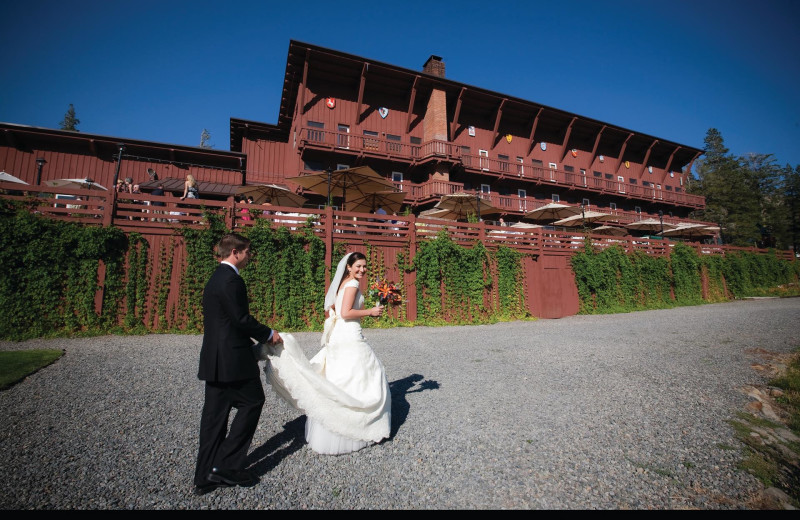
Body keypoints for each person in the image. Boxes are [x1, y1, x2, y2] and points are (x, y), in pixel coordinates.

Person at [259, 251, 391, 455]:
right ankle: (355, 429)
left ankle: (334, 432)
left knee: (341, 379)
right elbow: (346, 313)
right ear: (348, 267)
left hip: (341, 336)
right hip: (349, 337)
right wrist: (369, 312)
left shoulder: (342, 284)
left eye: (364, 266)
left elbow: (332, 310)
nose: (362, 270)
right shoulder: (353, 285)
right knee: (363, 376)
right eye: (358, 266)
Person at [194, 233, 282, 496]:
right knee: (252, 402)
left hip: (214, 359)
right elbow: (240, 319)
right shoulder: (232, 280)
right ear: (235, 252)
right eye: (247, 251)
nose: (249, 255)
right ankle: (227, 467)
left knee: (214, 418)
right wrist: (269, 334)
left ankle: (204, 477)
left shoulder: (214, 278)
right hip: (233, 359)